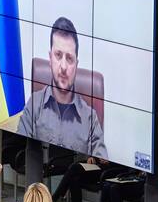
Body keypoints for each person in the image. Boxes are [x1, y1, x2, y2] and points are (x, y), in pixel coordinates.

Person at [16, 17, 107, 158]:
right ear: (50, 58)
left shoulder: (90, 118)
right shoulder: (34, 104)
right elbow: (21, 150)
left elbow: (102, 163)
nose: (63, 66)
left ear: (76, 64)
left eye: (69, 58)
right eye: (58, 55)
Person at [51, 158, 126, 202]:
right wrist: (92, 158)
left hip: (110, 169)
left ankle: (55, 198)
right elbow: (96, 150)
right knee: (74, 177)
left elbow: (124, 162)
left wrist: (110, 161)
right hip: (96, 166)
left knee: (74, 169)